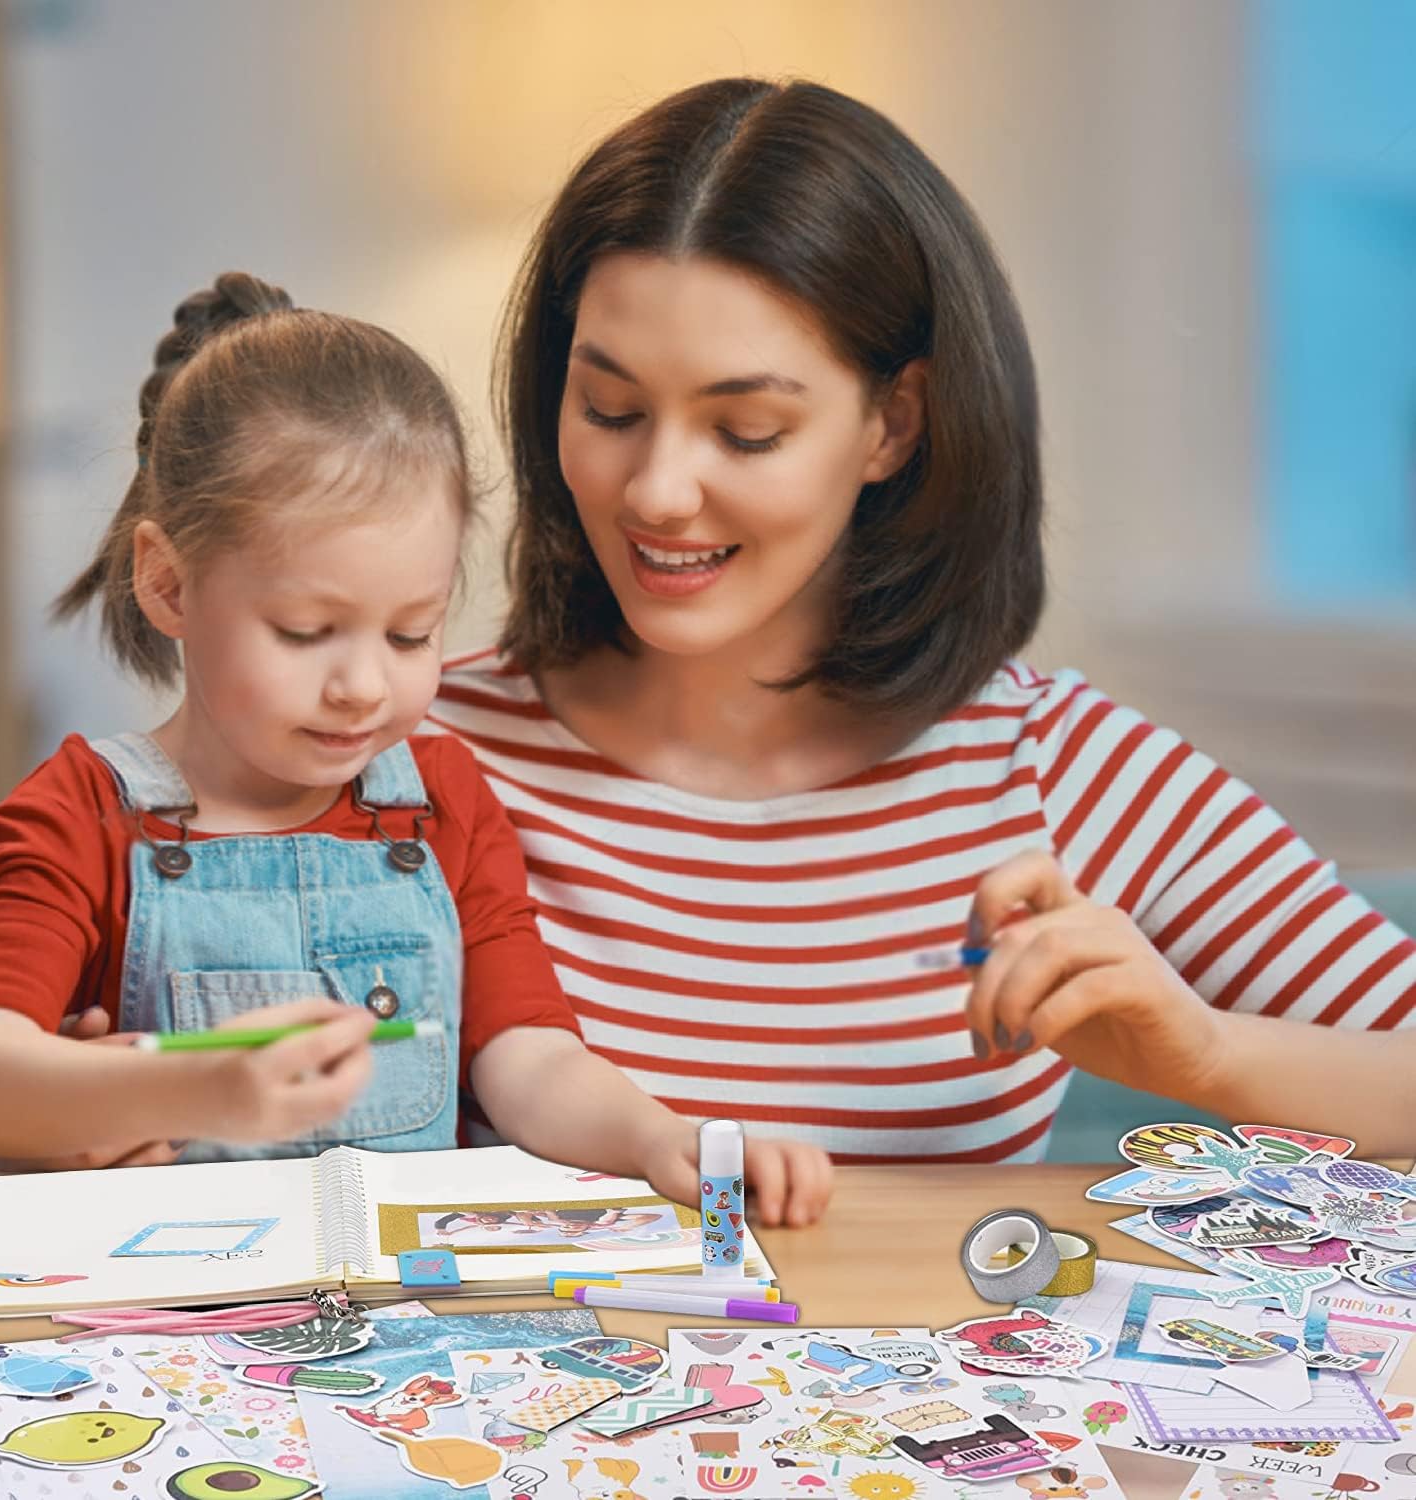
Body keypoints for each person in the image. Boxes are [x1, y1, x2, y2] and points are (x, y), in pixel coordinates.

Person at [426, 77, 1416, 1163]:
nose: (657, 490)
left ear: (893, 425)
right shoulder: (419, 755)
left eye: (746, 430)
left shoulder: (1058, 768)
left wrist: (1209, 1059)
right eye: (610, 410)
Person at [0, 271, 833, 1225]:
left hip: (407, 1318)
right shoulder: (83, 811)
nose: (363, 685)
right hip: (165, 1323)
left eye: (411, 635)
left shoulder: (442, 799)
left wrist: (663, 1140)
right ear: (170, 585)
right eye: (308, 631)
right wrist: (191, 1093)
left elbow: (527, 1057)